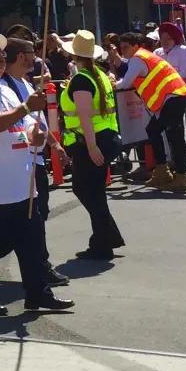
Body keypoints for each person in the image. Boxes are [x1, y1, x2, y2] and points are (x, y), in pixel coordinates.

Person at [0, 36, 71, 317]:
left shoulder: (8, 90)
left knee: (32, 243)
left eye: (0, 51)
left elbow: (29, 124)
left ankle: (38, 292)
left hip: (21, 185)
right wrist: (25, 108)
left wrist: (37, 135)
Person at [2, 37, 68, 285]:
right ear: (21, 56)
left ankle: (38, 264)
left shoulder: (26, 84)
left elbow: (36, 121)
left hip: (35, 159)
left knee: (39, 214)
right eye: (31, 53)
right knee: (30, 217)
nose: (36, 58)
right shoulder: (3, 86)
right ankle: (39, 266)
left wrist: (54, 144)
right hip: (19, 160)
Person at [60, 31, 125, 261]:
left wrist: (91, 146)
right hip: (106, 137)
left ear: (74, 55)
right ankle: (106, 237)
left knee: (87, 191)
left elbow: (84, 115)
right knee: (93, 192)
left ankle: (103, 242)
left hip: (91, 140)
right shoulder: (98, 75)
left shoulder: (82, 79)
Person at [113, 31, 186, 193]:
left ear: (135, 46)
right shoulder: (144, 56)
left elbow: (126, 83)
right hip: (175, 97)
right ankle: (164, 171)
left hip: (174, 98)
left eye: (126, 47)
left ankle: (178, 176)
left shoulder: (137, 58)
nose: (123, 51)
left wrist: (111, 84)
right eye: (121, 48)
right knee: (157, 131)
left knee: (173, 137)